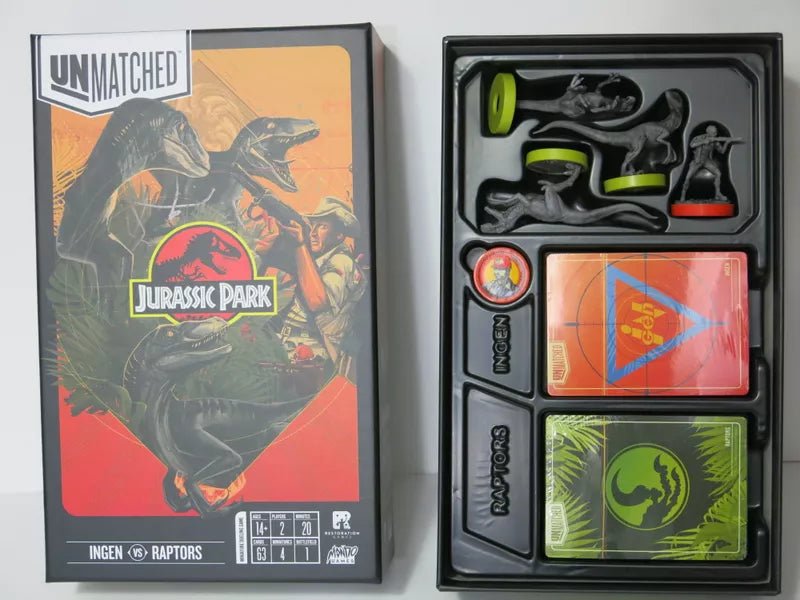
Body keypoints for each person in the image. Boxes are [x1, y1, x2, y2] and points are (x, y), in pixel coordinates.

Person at [257, 196, 366, 374]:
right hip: (287, 343)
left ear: (339, 235)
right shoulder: (317, 259)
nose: (313, 233)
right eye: (312, 226)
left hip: (311, 352)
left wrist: (300, 244)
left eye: (322, 227)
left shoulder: (341, 260)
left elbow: (317, 301)